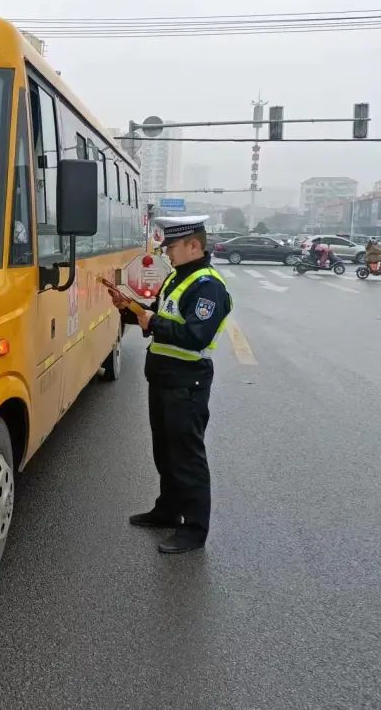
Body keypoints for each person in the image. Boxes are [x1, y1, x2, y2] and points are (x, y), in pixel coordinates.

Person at [106, 215, 233, 554]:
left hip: (186, 379)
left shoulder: (208, 286)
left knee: (186, 456)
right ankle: (167, 510)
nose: (168, 254)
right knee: (164, 450)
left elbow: (194, 335)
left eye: (172, 247)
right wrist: (130, 310)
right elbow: (158, 317)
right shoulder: (178, 277)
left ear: (194, 245)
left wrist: (153, 320)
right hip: (163, 376)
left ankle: (193, 529)